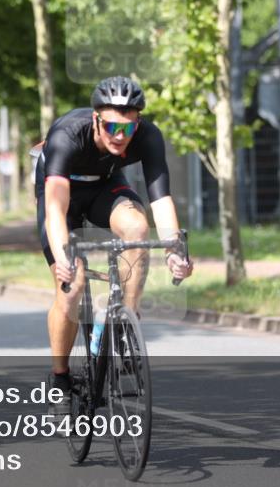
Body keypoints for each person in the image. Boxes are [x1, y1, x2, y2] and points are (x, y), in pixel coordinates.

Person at [35, 76, 193, 415]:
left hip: (104, 187)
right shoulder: (67, 135)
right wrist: (64, 256)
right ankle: (60, 381)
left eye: (128, 129)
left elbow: (161, 199)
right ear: (95, 119)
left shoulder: (147, 136)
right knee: (72, 285)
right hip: (61, 195)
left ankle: (124, 323)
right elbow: (55, 209)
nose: (119, 137)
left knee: (137, 227)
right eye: (110, 127)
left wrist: (175, 250)